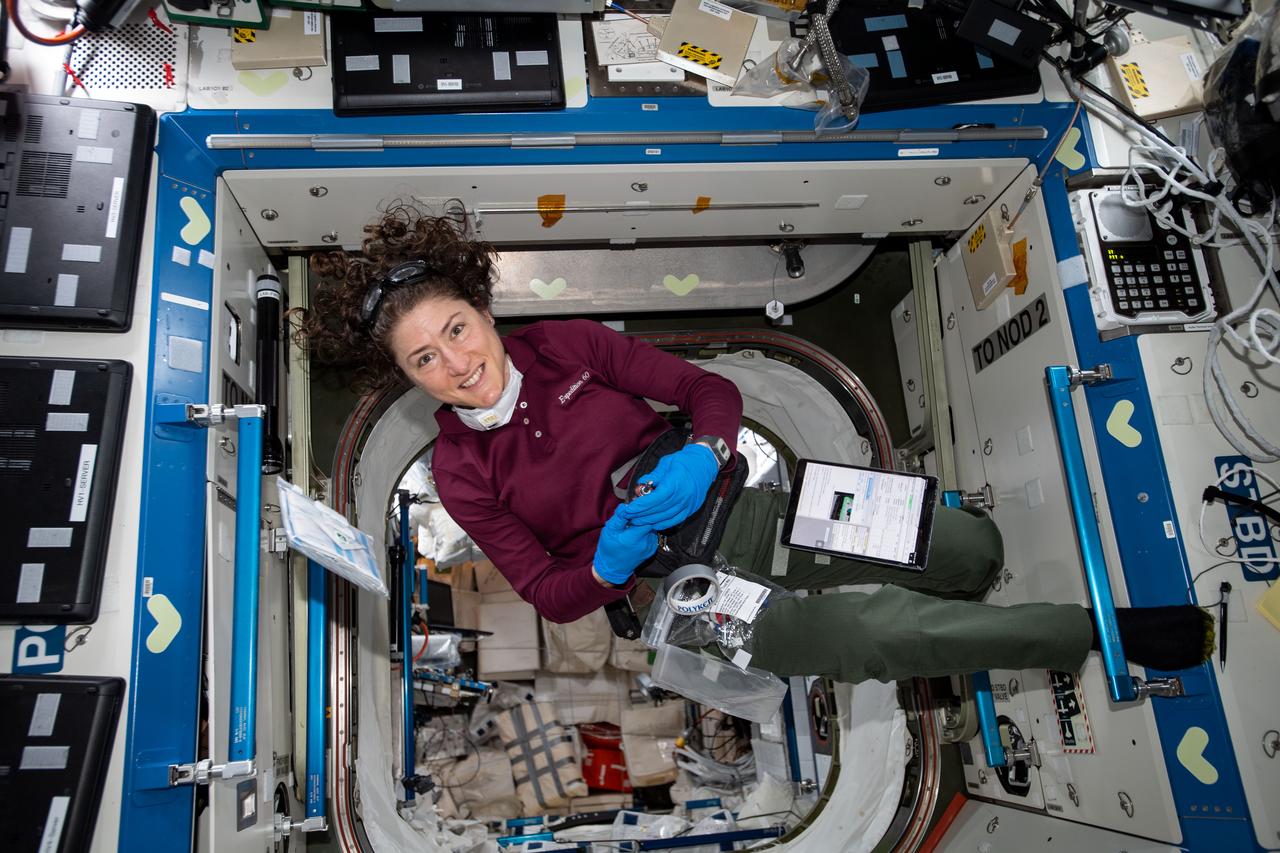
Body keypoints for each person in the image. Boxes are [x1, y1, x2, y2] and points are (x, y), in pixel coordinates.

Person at [297, 207, 1213, 684]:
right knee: (869, 633)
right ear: (409, 378)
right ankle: (1092, 633)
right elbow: (549, 592)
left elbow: (711, 391)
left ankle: (966, 598)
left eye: (456, 329)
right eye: (424, 358)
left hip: (748, 503)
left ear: (482, 311)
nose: (457, 363)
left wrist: (704, 449)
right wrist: (609, 562)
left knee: (973, 546)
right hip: (681, 596)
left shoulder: (564, 345)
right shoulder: (460, 471)